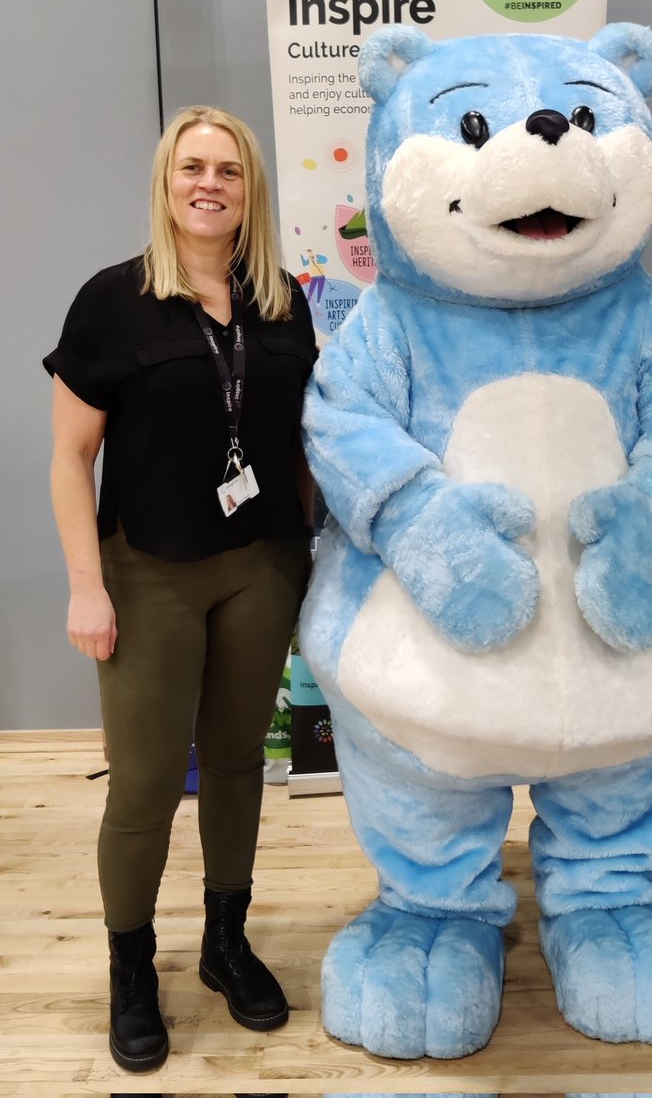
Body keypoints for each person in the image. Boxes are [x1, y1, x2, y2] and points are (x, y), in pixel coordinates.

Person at [46, 106, 315, 1074]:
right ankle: (131, 967)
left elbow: (300, 446)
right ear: (167, 182)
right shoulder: (112, 303)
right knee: (151, 782)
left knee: (239, 760)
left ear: (251, 191)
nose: (210, 184)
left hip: (263, 566)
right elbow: (71, 459)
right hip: (150, 571)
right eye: (192, 167)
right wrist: (87, 589)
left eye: (229, 171)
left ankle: (225, 942)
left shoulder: (284, 301)